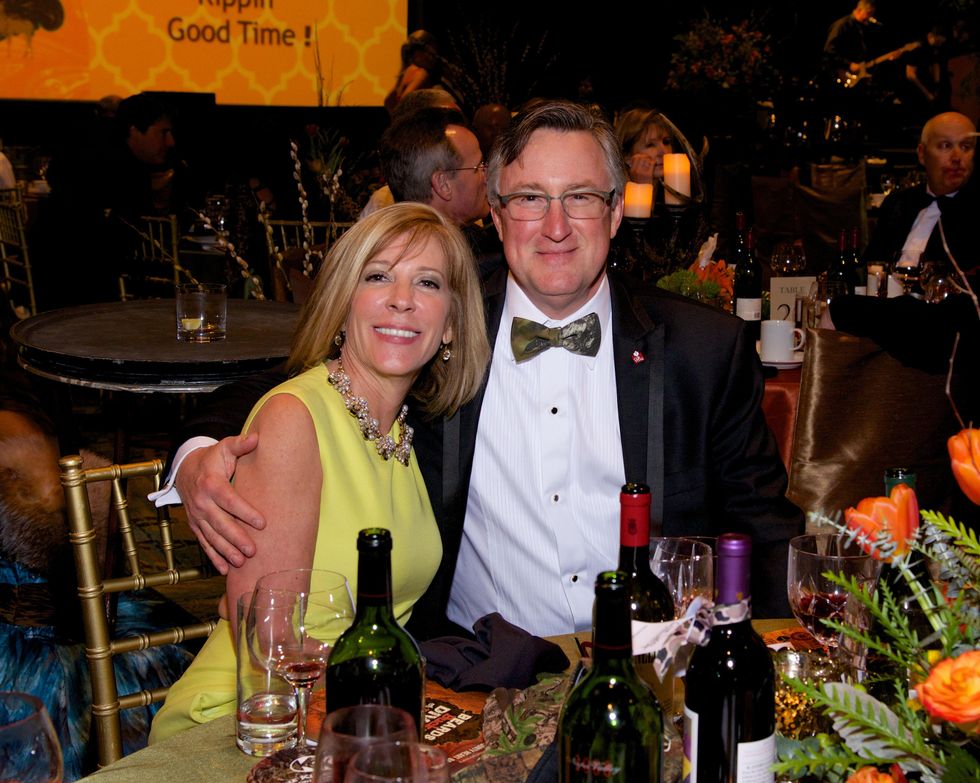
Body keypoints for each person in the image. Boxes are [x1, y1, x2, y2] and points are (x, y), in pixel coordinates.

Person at [163, 100, 802, 639]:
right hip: (479, 676)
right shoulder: (443, 324)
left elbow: (767, 533)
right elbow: (296, 383)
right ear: (494, 217)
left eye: (579, 197)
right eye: (529, 198)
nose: (555, 227)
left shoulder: (702, 349)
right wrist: (195, 456)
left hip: (656, 669)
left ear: (613, 212)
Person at [148, 203, 490, 741]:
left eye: (427, 283)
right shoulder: (296, 419)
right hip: (253, 717)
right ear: (342, 303)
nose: (402, 299)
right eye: (378, 276)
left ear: (450, 324)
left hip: (359, 708)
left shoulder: (405, 432)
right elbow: (269, 646)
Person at [863, 111, 977, 269]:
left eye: (966, 147)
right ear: (922, 154)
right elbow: (872, 264)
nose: (957, 157)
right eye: (945, 146)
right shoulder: (898, 203)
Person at [384, 30, 443, 116]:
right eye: (429, 53)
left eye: (434, 54)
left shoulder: (405, 72)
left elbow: (388, 101)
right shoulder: (421, 73)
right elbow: (405, 102)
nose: (432, 57)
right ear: (415, 52)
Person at [614, 107, 674, 184]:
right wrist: (642, 185)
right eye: (650, 145)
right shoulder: (618, 194)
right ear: (627, 157)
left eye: (666, 142)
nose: (664, 152)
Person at [823, 0, 879, 79]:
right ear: (859, 10)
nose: (870, 17)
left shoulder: (861, 26)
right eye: (869, 13)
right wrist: (848, 64)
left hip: (853, 74)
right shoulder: (842, 25)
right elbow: (829, 49)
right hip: (837, 73)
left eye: (872, 14)